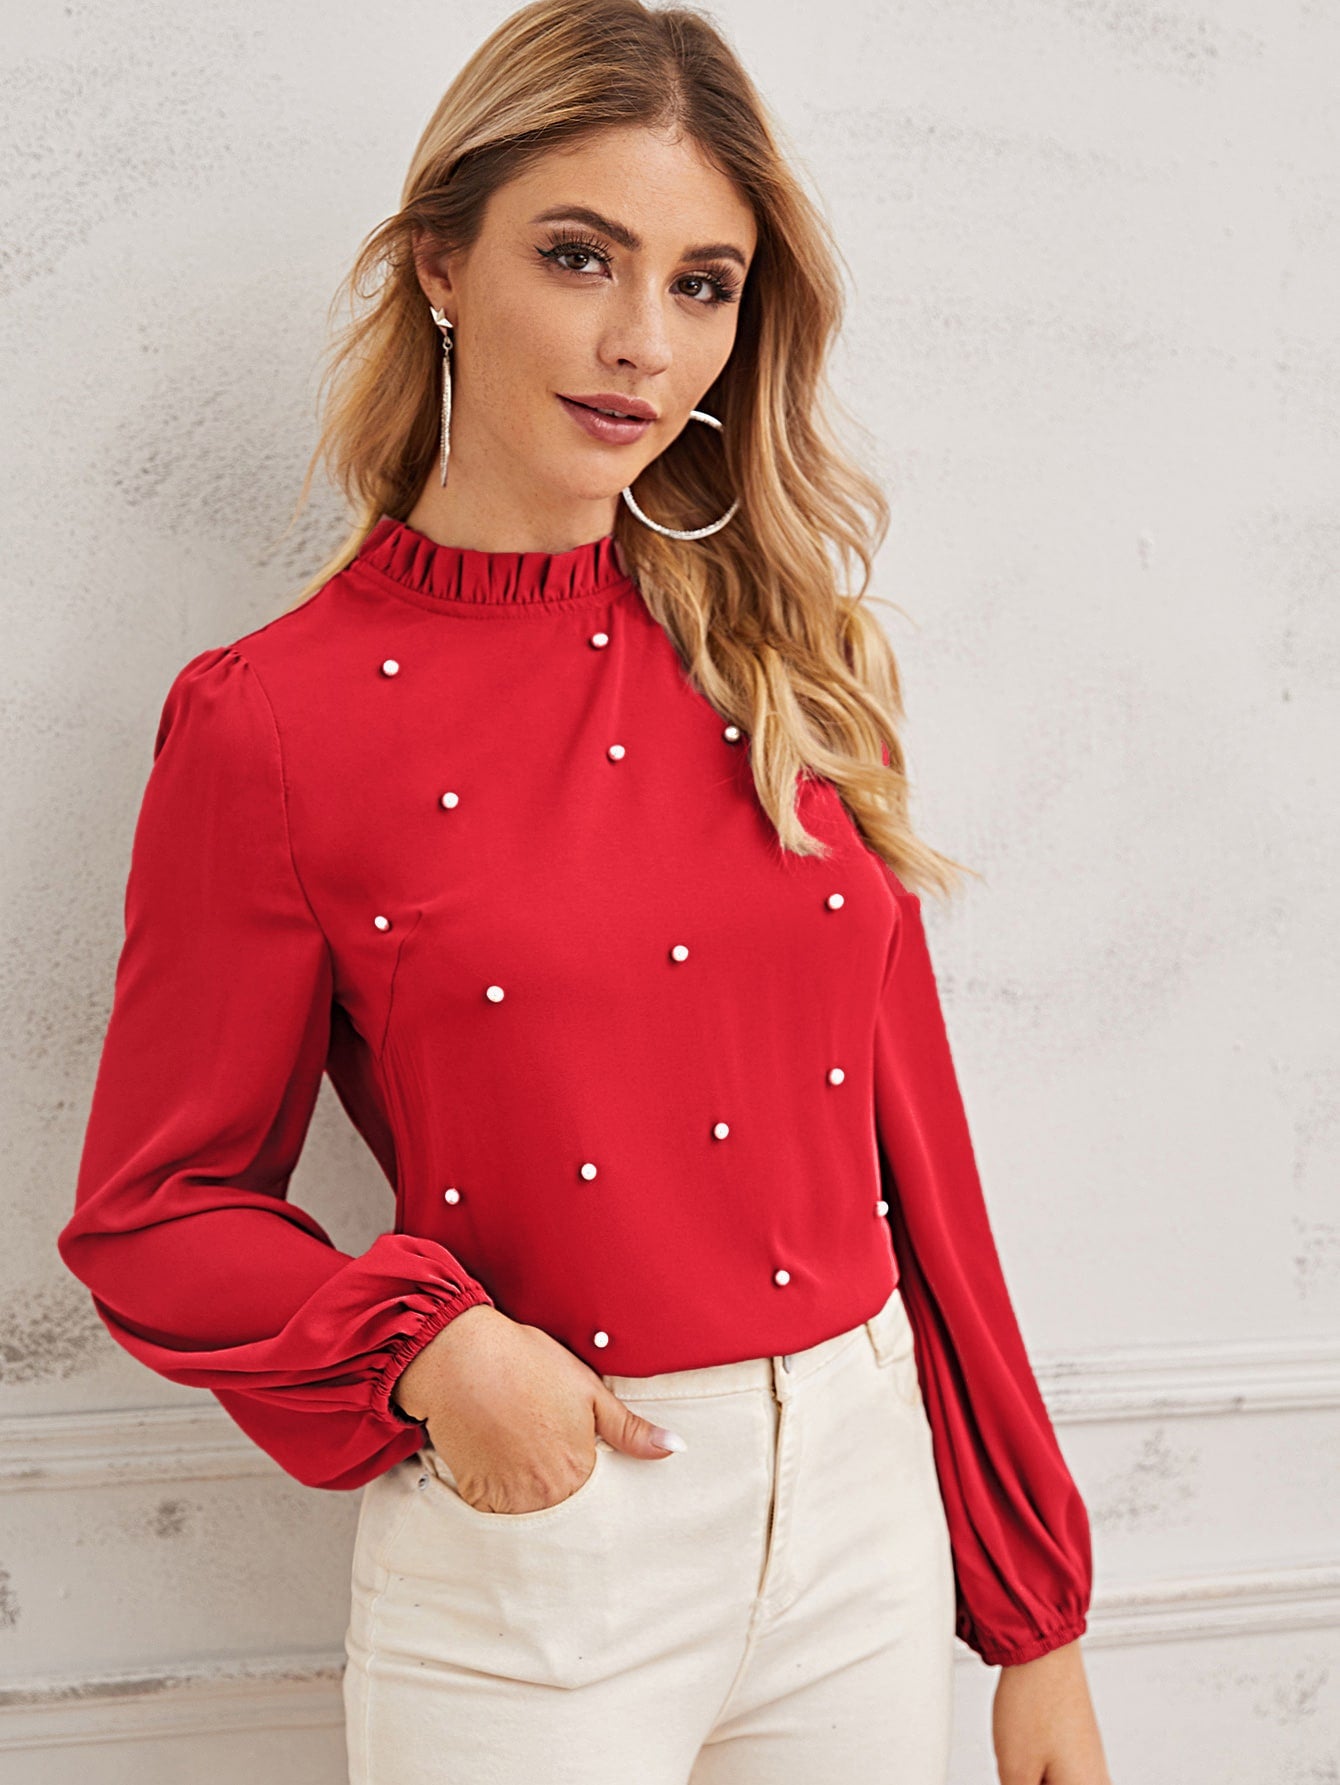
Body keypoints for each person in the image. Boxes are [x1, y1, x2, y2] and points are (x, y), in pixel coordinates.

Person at [56, 3, 1112, 1781]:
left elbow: (917, 1150)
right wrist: (437, 1353)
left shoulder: (792, 660)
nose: (643, 342)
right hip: (549, 1552)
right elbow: (153, 1210)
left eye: (704, 285)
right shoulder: (272, 724)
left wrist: (1035, 1614)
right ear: (440, 263)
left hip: (865, 1527)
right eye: (579, 256)